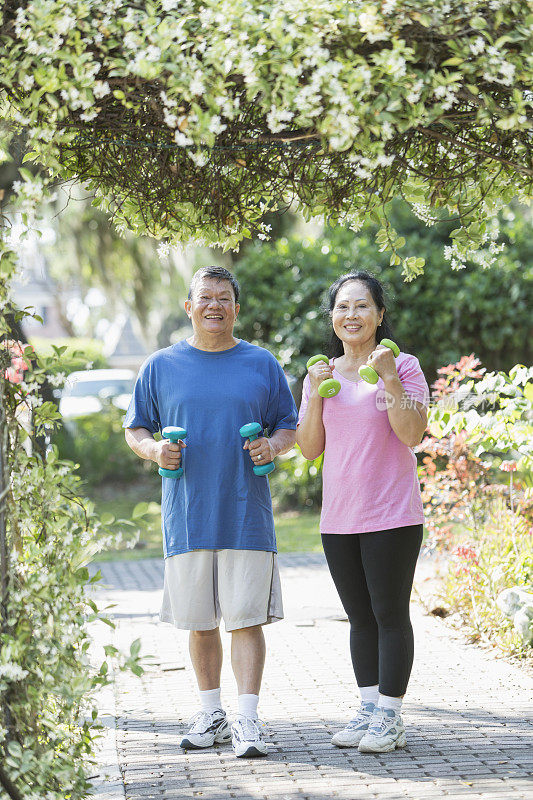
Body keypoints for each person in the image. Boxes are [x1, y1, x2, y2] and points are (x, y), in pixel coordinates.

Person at [124, 266, 297, 758]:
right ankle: (211, 713)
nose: (214, 305)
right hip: (187, 513)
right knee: (199, 622)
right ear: (189, 306)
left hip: (247, 513)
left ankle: (246, 720)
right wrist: (156, 451)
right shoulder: (160, 366)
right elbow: (136, 429)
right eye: (205, 297)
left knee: (245, 619)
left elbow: (288, 425)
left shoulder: (261, 364)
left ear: (236, 309)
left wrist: (273, 447)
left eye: (224, 298)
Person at [296, 270, 429, 753]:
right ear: (333, 318)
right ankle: (368, 709)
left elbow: (411, 433)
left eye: (361, 306)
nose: (351, 315)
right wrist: (312, 395)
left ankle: (390, 716)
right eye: (342, 307)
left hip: (392, 514)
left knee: (389, 613)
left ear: (379, 314)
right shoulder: (321, 375)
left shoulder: (405, 365)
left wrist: (389, 375)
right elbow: (310, 449)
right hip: (339, 518)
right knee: (359, 618)